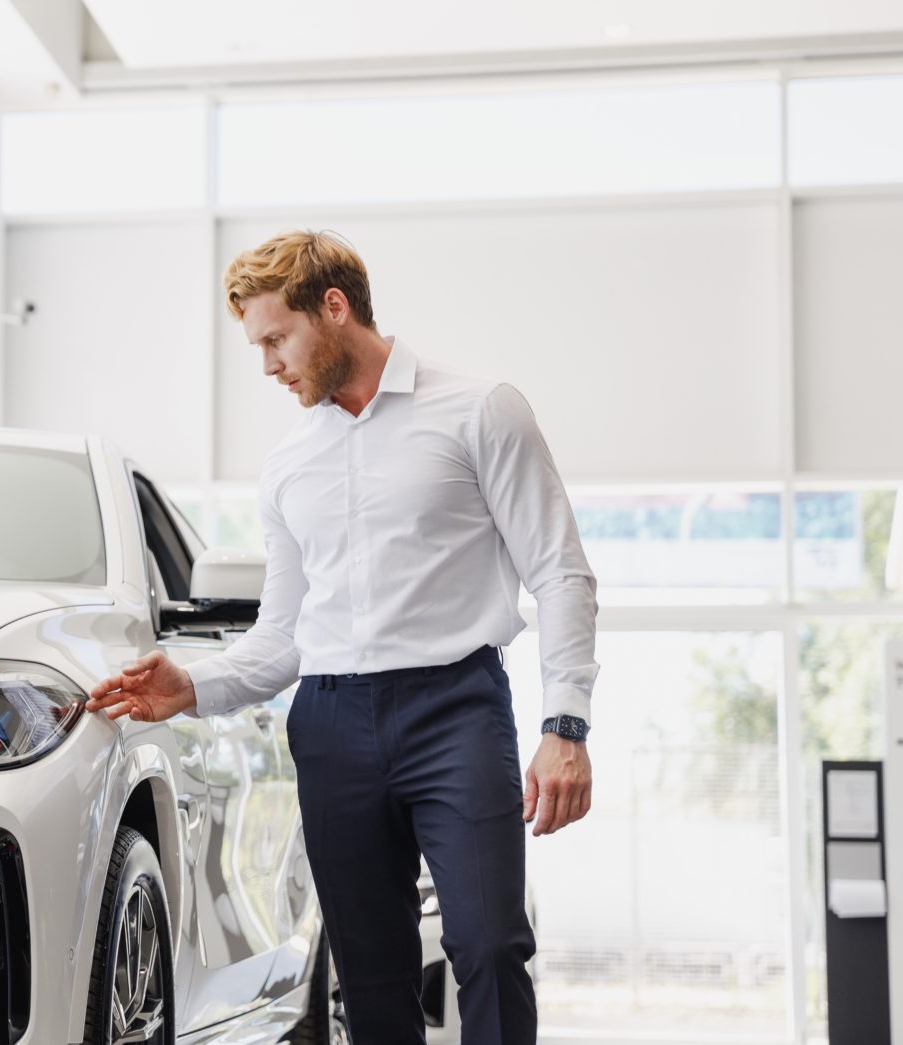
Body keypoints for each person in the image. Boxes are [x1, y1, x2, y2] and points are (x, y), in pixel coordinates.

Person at [85, 230, 599, 1044]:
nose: (267, 365)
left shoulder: (479, 410)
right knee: (369, 971)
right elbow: (282, 638)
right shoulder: (290, 465)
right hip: (329, 723)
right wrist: (190, 684)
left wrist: (564, 723)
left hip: (456, 709)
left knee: (492, 944)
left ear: (334, 307)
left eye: (275, 338)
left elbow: (561, 571)